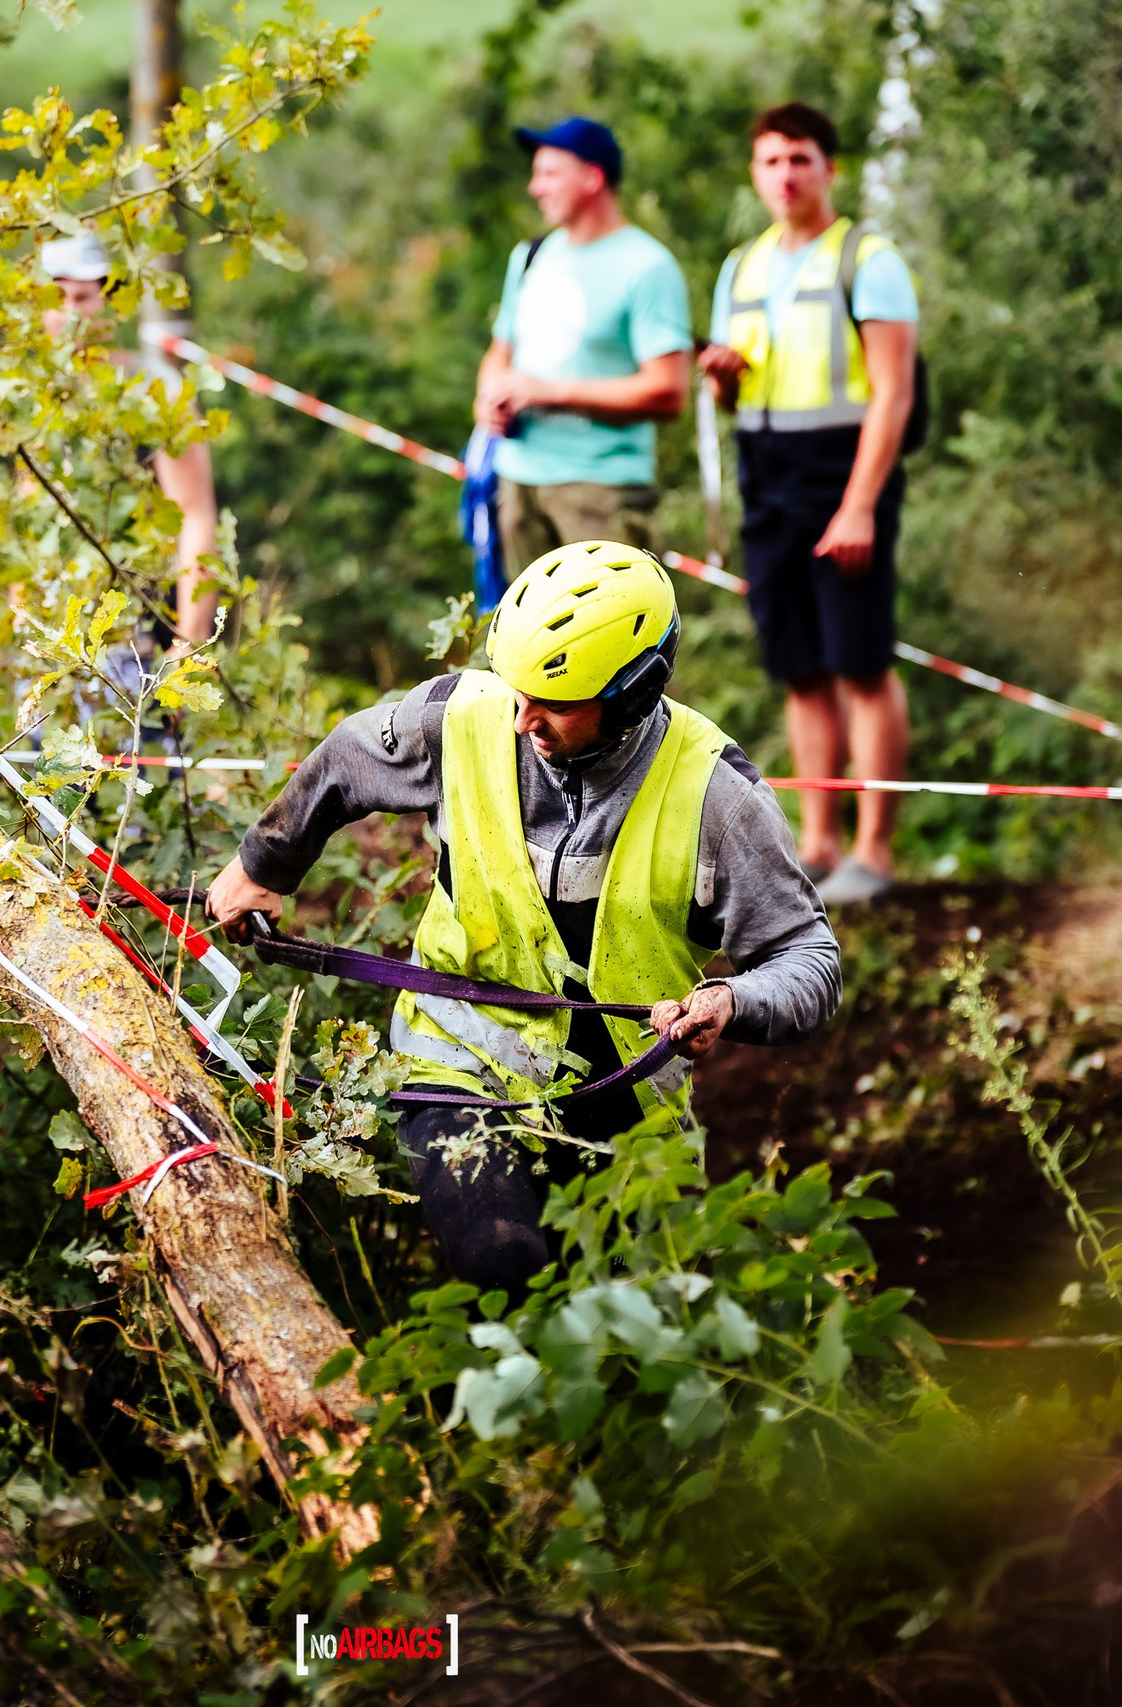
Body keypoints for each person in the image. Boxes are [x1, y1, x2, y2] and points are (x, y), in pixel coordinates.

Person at [205, 542, 840, 1290]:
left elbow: (809, 959)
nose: (521, 719)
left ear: (632, 695)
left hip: (628, 1104)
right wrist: (261, 865)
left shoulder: (719, 799)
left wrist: (733, 999)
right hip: (457, 1059)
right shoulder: (462, 719)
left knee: (634, 1317)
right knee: (503, 1263)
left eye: (554, 702)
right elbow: (348, 758)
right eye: (517, 690)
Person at [696, 102, 920, 904]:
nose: (785, 175)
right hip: (767, 482)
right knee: (799, 670)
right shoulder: (741, 267)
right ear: (754, 173)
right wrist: (724, 378)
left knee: (861, 664)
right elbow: (732, 398)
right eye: (771, 161)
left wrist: (859, 506)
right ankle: (818, 844)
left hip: (844, 478)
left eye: (800, 159)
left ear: (830, 168)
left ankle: (874, 851)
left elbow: (893, 394)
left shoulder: (870, 260)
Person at [473, 117, 692, 564]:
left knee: (615, 614)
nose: (535, 187)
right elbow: (500, 351)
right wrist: (487, 400)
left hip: (602, 491)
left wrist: (549, 392)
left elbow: (669, 392)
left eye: (550, 174)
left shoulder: (648, 266)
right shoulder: (530, 256)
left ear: (592, 178)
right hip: (517, 485)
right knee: (525, 615)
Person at [40, 234, 221, 652]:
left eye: (82, 297)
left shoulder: (155, 390)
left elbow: (194, 516)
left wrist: (188, 644)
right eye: (56, 297)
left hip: (140, 634)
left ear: (109, 302)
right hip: (56, 643)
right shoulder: (32, 399)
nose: (70, 312)